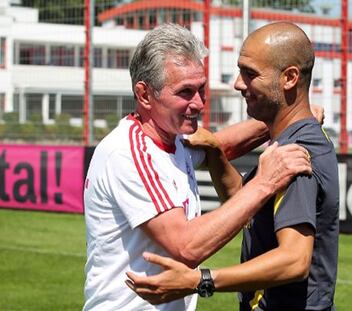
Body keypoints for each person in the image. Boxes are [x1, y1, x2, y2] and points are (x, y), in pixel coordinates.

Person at [82, 23, 314, 311]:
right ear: (144, 95)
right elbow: (187, 246)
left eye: (201, 89)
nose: (199, 103)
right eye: (185, 92)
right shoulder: (128, 153)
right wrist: (264, 182)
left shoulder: (174, 139)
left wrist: (293, 117)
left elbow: (220, 145)